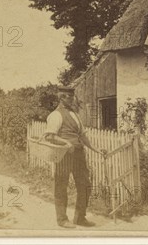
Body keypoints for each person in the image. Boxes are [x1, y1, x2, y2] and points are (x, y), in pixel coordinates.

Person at [43, 86, 107, 229]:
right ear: (61, 98)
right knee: (61, 186)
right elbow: (49, 136)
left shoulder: (75, 114)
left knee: (85, 184)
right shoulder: (56, 115)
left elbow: (83, 136)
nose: (72, 99)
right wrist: (66, 143)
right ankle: (62, 219)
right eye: (68, 96)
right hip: (64, 155)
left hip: (78, 154)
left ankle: (80, 218)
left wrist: (96, 150)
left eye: (72, 96)